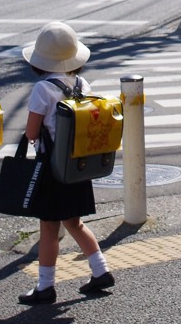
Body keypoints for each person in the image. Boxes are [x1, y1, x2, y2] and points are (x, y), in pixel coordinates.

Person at [19, 20, 114, 305]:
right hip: (78, 166)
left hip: (53, 170)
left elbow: (32, 132)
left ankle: (45, 286)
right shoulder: (82, 84)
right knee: (74, 222)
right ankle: (100, 270)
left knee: (49, 227)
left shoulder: (42, 89)